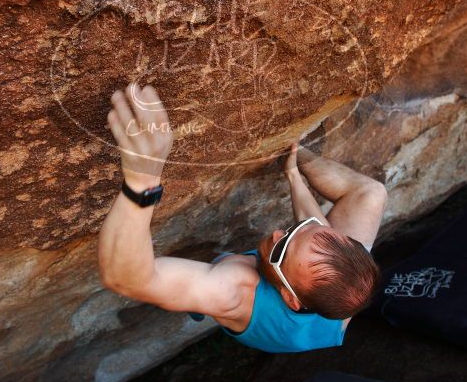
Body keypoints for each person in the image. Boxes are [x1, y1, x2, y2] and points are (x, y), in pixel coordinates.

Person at [98, 82, 387, 353]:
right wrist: (293, 173)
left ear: (290, 299)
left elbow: (128, 281)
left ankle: (199, 299)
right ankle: (300, 155)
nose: (277, 232)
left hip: (305, 332)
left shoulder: (235, 290)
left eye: (282, 247)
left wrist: (142, 180)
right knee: (372, 195)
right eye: (300, 228)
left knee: (230, 262)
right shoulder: (327, 270)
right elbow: (312, 235)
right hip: (331, 311)